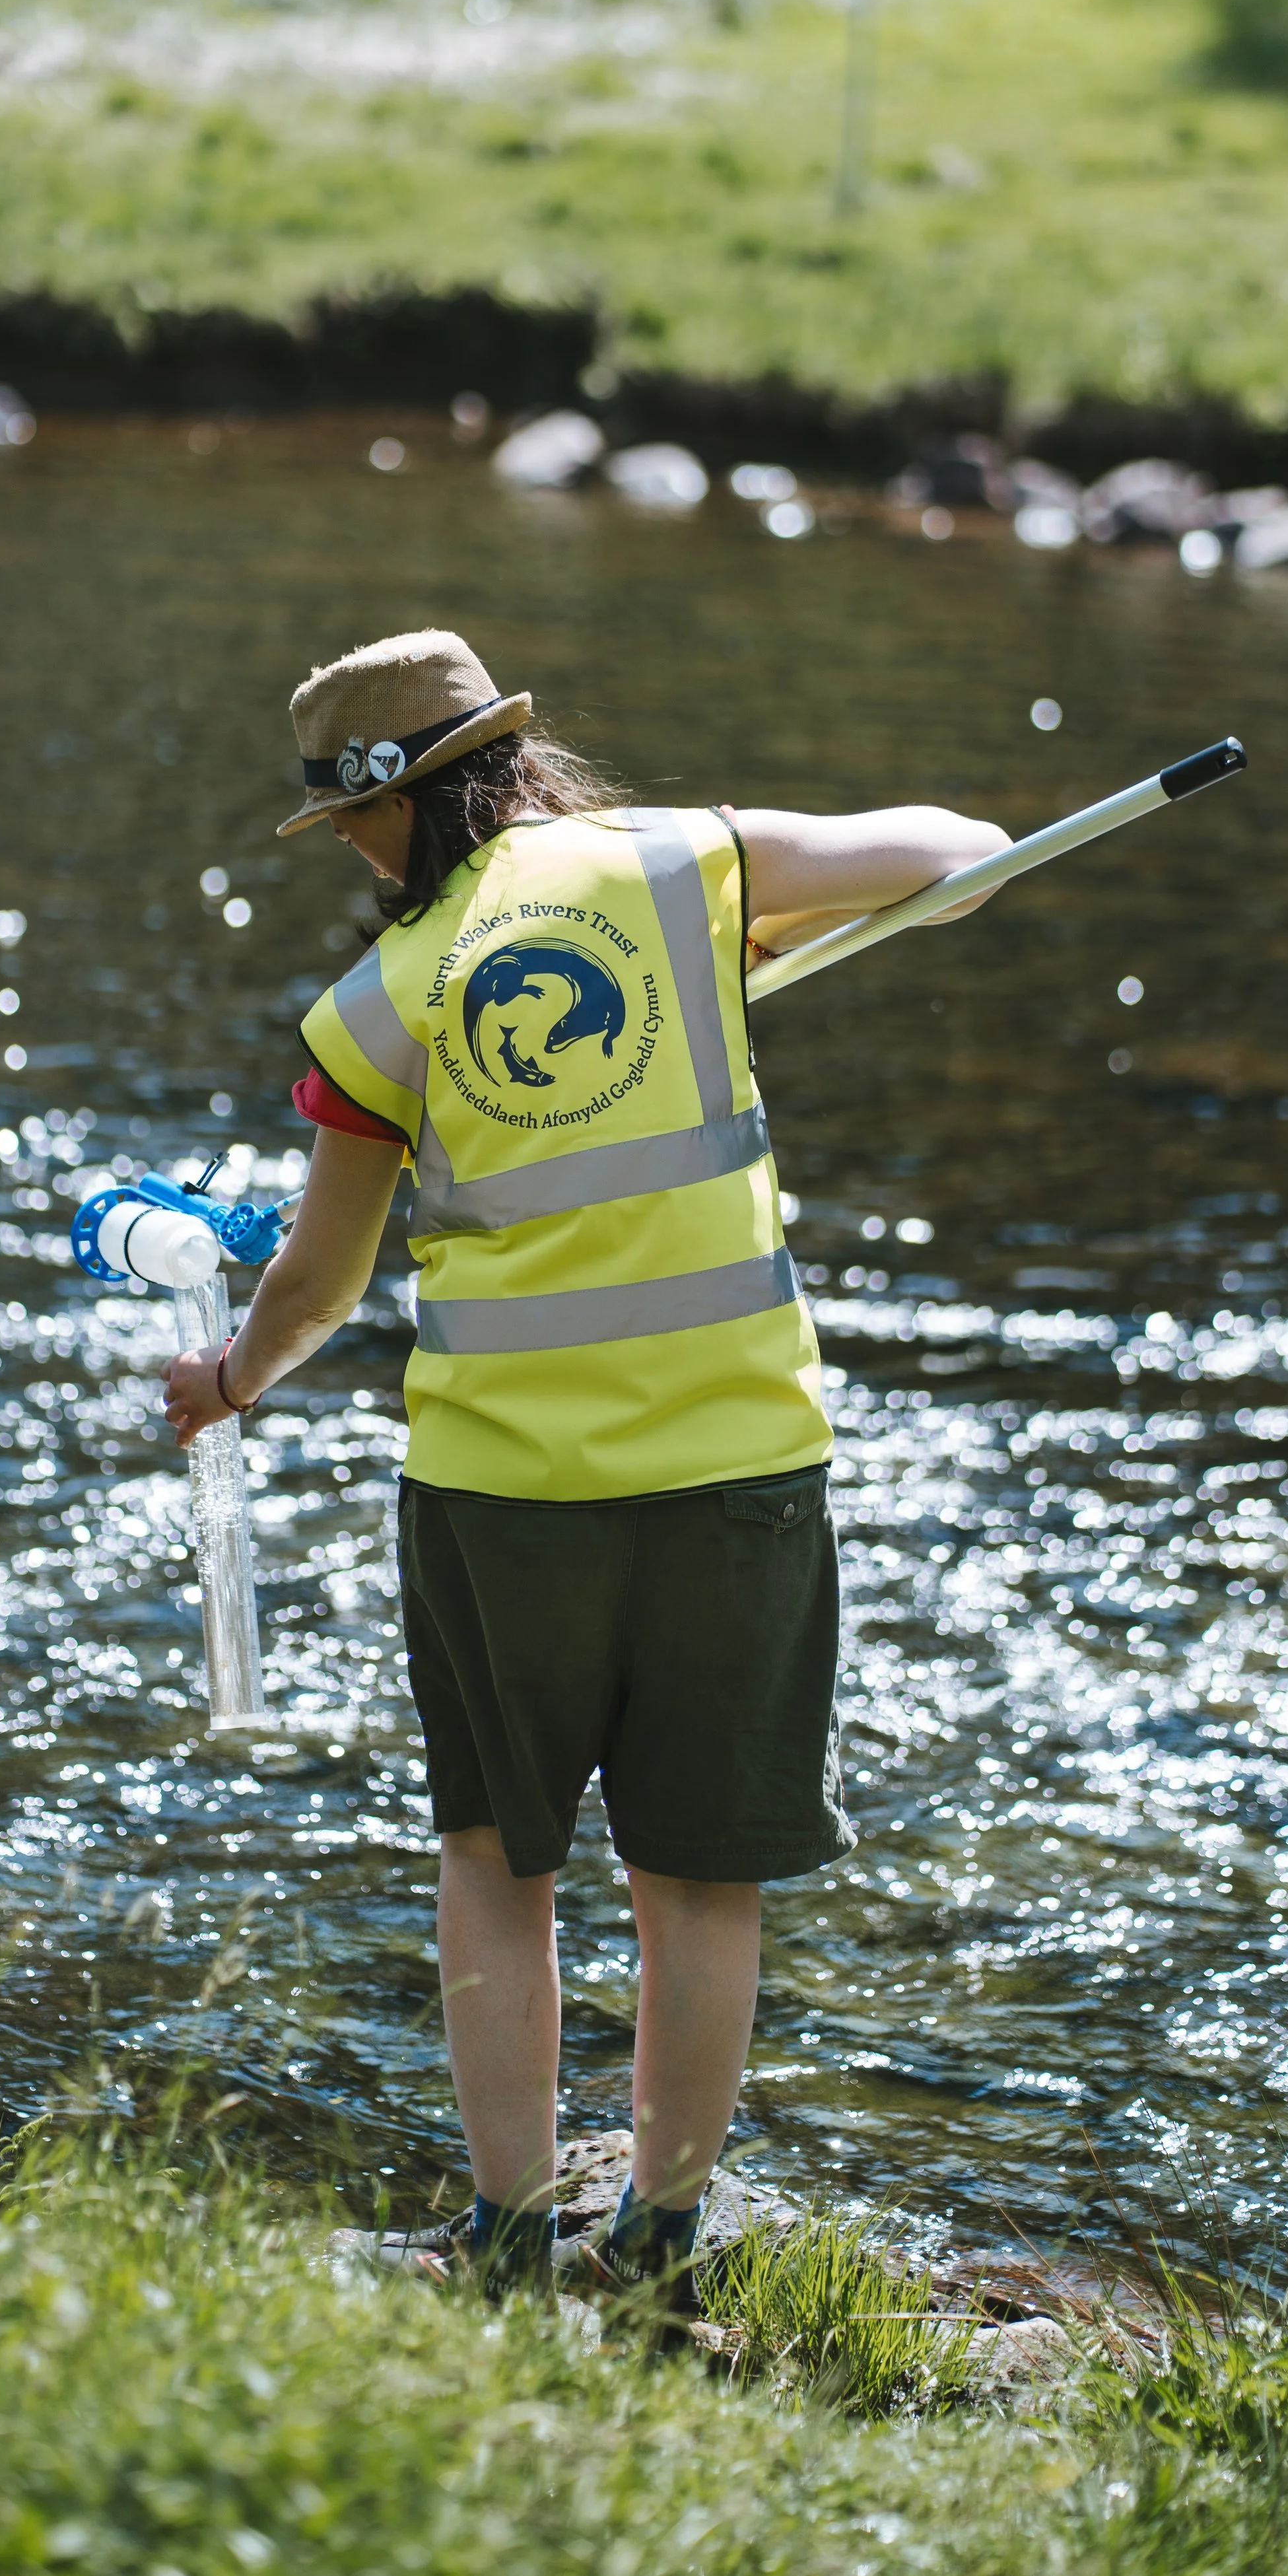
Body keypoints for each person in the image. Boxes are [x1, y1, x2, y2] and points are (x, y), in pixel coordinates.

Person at [164, 626, 1006, 2313]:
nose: (348, 857)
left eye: (346, 828)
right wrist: (755, 926)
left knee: (495, 1859)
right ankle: (661, 2241)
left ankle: (500, 2234)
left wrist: (227, 1377)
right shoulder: (683, 859)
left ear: (390, 805)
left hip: (499, 1494)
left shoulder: (370, 1008)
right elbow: (961, 858)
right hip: (737, 1466)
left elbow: (319, 1287)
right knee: (698, 1872)